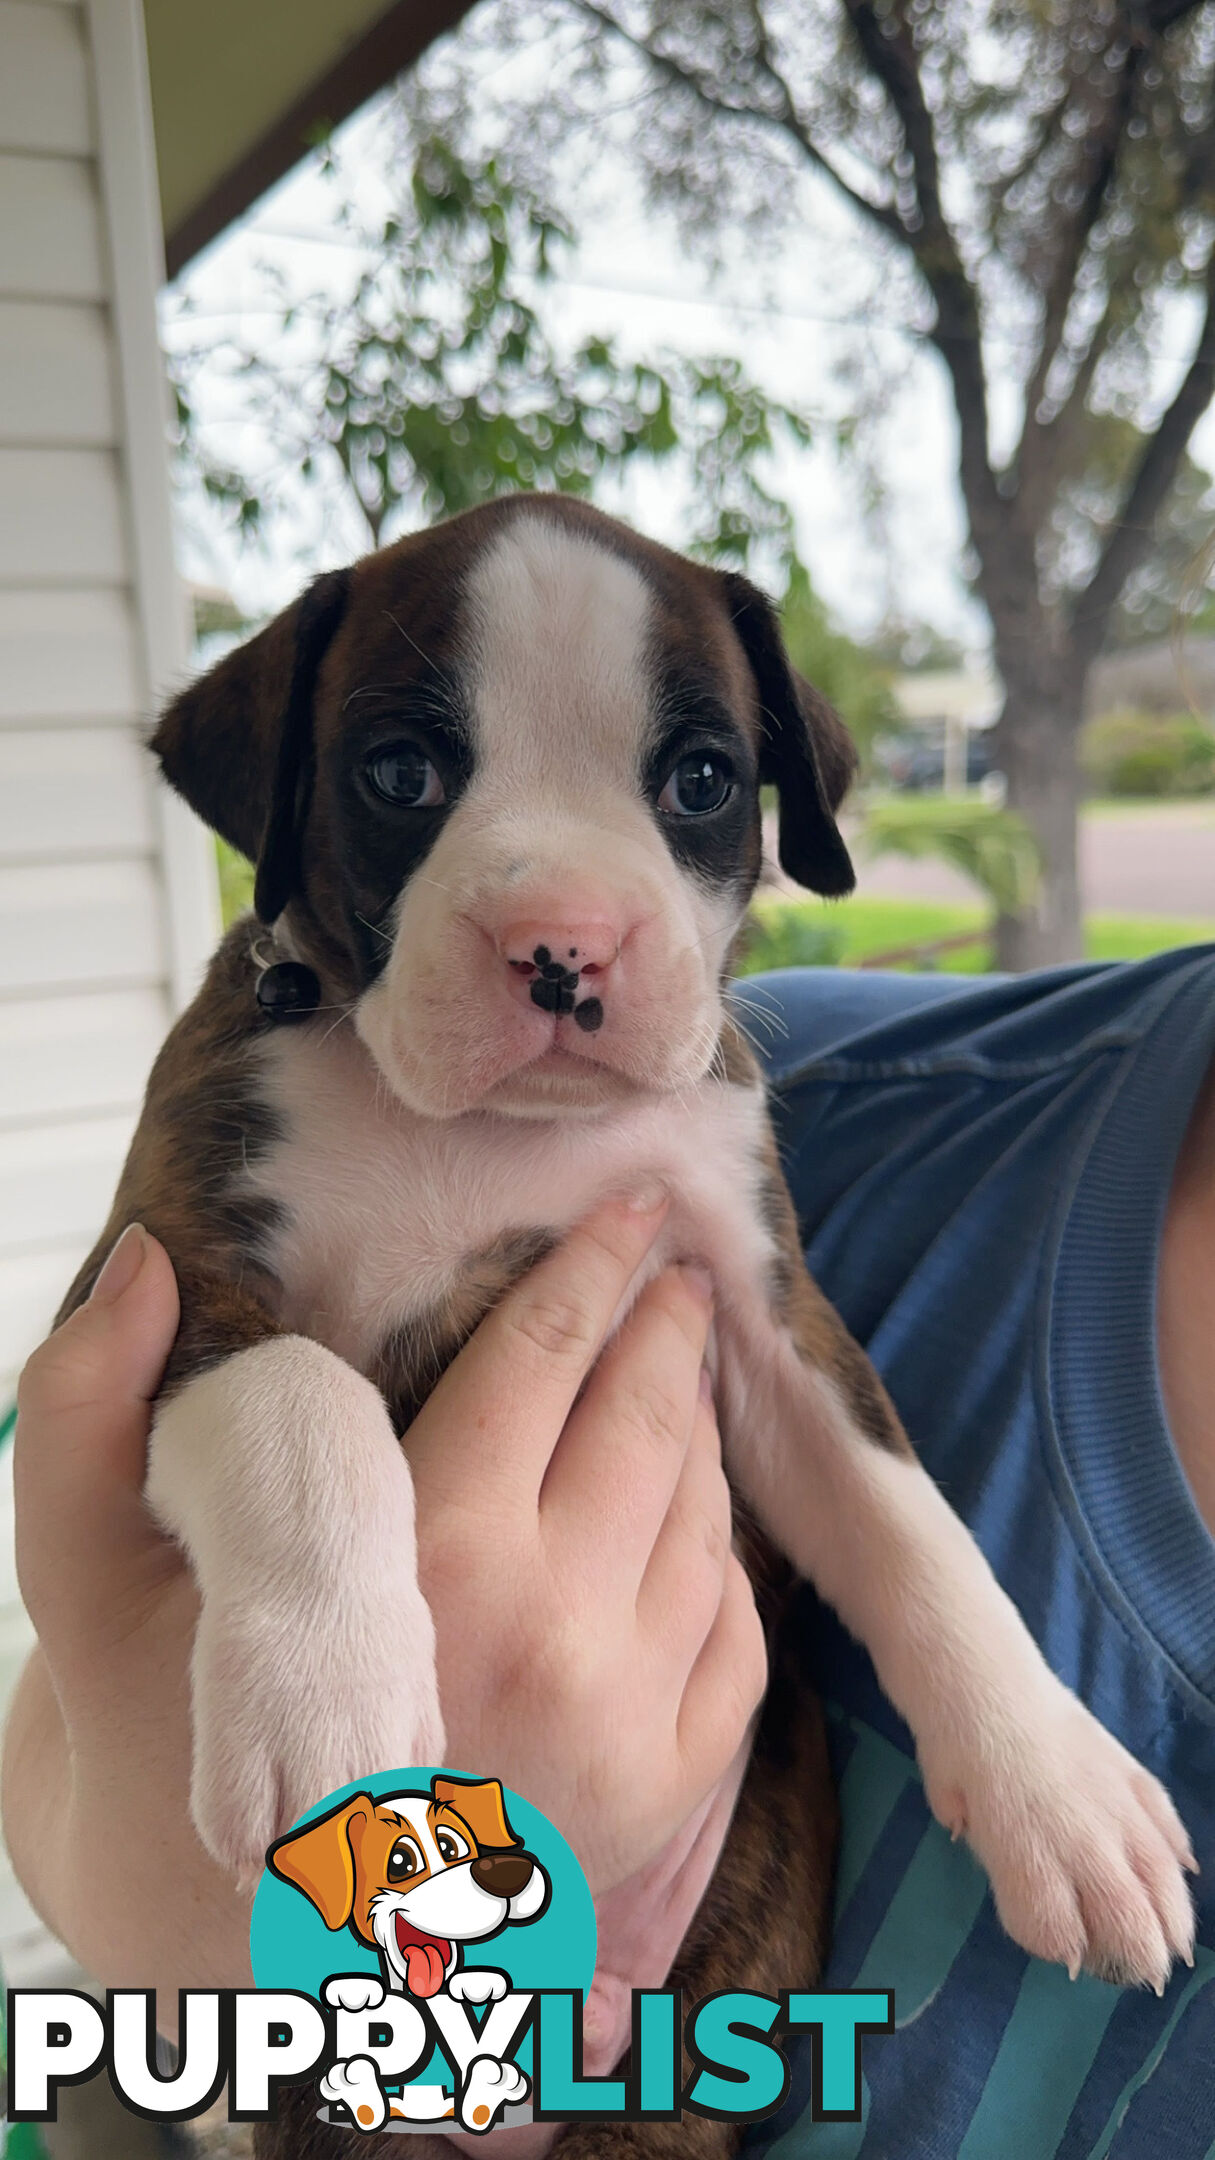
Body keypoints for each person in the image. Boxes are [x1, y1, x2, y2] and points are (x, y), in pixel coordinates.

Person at [6, 948, 1215, 2156]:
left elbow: (798, 1372)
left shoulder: (727, 1055)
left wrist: (1006, 1713)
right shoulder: (851, 1079)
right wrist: (142, 1881)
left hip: (707, 1932)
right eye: (407, 772)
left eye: (692, 782)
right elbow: (133, 1428)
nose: (568, 936)